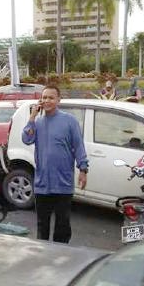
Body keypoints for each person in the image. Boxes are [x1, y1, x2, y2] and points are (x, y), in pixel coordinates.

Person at [22, 85, 89, 244]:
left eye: (51, 97)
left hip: (63, 183)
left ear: (58, 100)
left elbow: (78, 146)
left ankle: (61, 254)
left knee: (62, 225)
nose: (47, 101)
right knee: (42, 225)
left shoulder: (69, 121)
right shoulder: (37, 123)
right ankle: (43, 255)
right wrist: (32, 116)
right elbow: (26, 139)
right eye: (44, 98)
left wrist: (83, 169)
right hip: (42, 184)